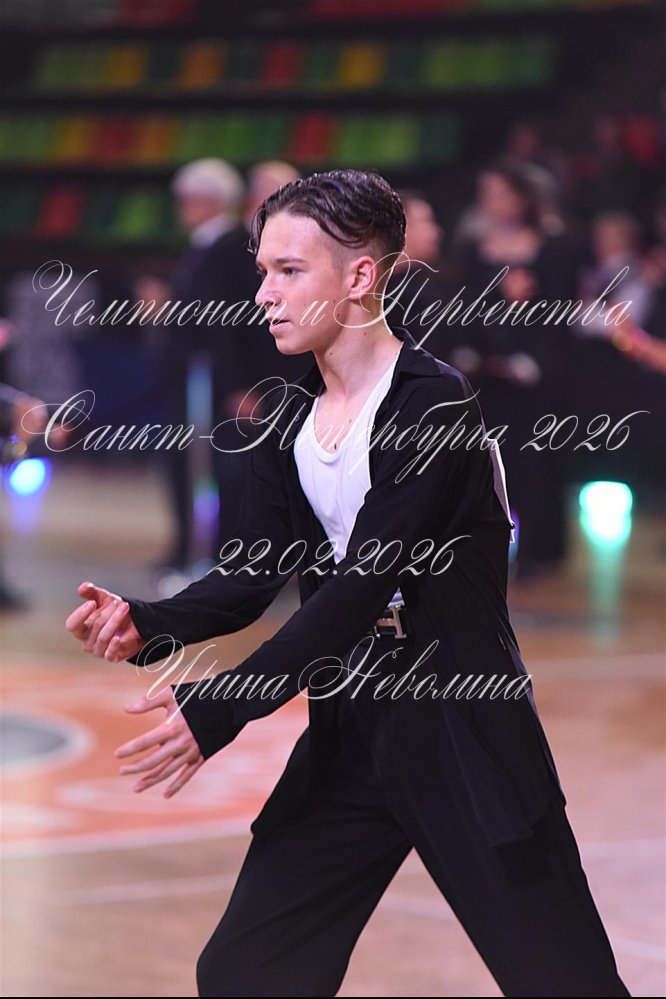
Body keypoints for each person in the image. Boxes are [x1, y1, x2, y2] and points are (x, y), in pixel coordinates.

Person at [65, 169, 631, 998]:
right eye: (263, 271)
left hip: (462, 731)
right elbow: (252, 573)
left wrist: (220, 706)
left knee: (565, 982)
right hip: (352, 729)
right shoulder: (287, 413)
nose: (264, 294)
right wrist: (147, 621)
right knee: (247, 973)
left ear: (361, 275)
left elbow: (358, 588)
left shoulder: (434, 406)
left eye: (289, 271)